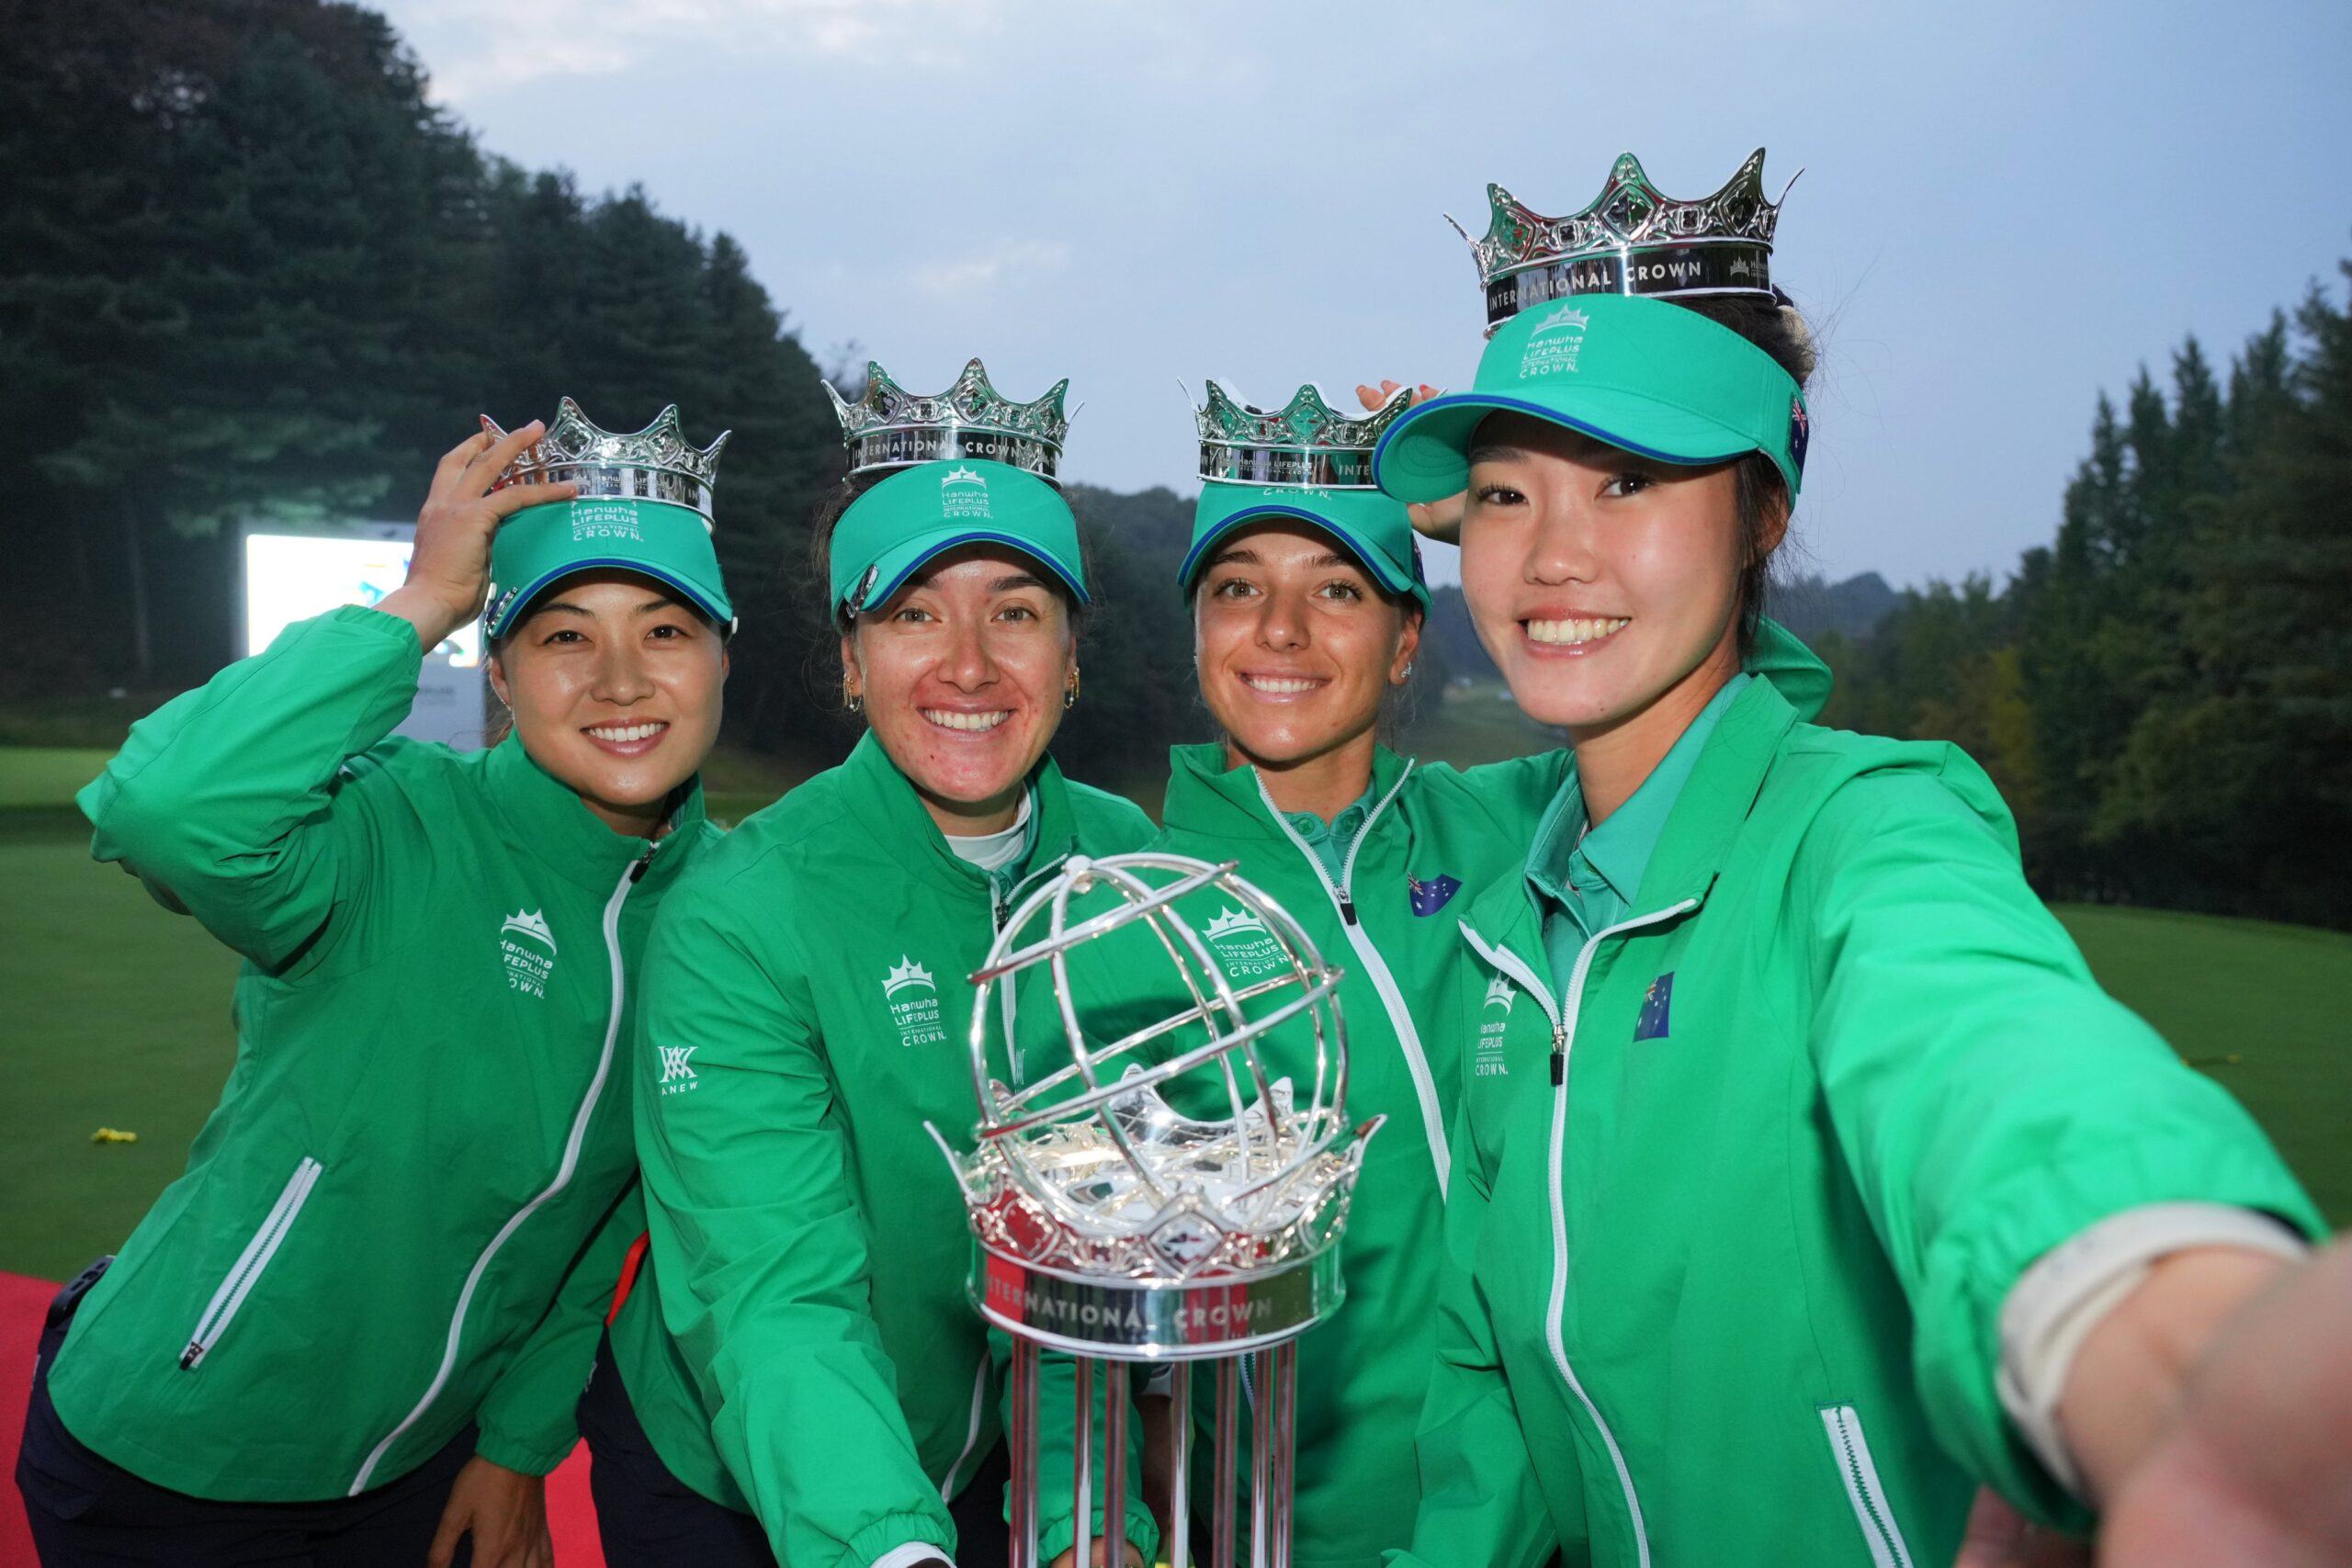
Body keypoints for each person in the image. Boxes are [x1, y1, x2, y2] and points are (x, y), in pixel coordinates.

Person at [1376, 150, 2344, 1566]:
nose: (1550, 555)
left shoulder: (1868, 830)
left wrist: (2156, 1325)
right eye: (1507, 497)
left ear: (1766, 505)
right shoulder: (1519, 933)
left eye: (1632, 476)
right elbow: (1489, 1391)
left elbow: (1987, 1050)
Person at [14, 401, 735, 1567]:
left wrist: (514, 1447)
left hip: (417, 1477)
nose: (617, 679)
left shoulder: (721, 910)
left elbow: (605, 1217)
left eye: (665, 631)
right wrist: (421, 604)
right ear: (499, 669)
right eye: (562, 636)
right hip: (171, 1459)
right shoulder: (388, 819)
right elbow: (168, 811)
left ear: (720, 657)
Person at [581, 361, 1160, 1567]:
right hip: (742, 1483)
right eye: (911, 612)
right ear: (851, 659)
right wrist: (891, 1549)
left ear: (1071, 655)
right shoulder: (741, 913)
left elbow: (1102, 1246)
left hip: (990, 1454)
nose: (965, 661)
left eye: (1014, 608)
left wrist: (1083, 1517)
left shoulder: (1131, 866)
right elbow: (776, 1296)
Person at [1009, 378, 1566, 1566]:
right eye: (1238, 589)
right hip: (1297, 1531)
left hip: (1566, 1499)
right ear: (1197, 626)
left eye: (1338, 590)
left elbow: (1744, 711)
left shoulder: (1521, 829)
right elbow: (1063, 1304)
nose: (1281, 631)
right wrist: (1086, 1524)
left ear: (1411, 634)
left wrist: (1513, 522)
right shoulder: (1127, 919)